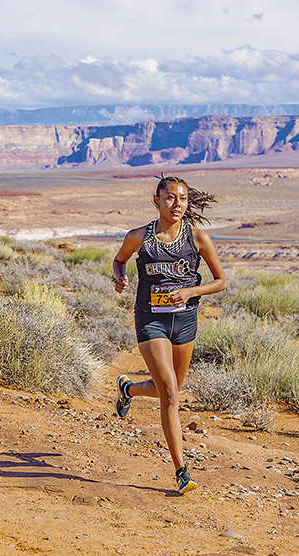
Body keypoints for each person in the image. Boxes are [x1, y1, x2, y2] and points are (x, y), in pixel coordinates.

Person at [112, 175, 226, 494]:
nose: (177, 204)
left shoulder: (198, 238)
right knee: (172, 396)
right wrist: (120, 278)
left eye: (183, 199)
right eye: (170, 198)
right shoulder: (139, 237)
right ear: (157, 201)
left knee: (170, 389)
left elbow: (221, 281)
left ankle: (129, 390)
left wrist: (190, 291)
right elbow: (119, 261)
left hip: (185, 321)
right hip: (151, 321)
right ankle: (182, 472)